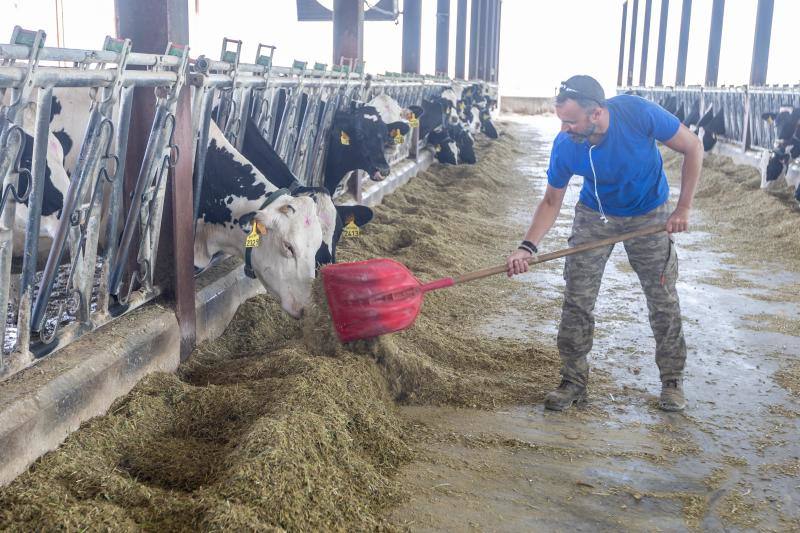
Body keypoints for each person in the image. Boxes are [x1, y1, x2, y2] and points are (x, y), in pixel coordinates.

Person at [506, 75, 703, 412]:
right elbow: (551, 200)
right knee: (577, 298)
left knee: (662, 298)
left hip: (648, 214)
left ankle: (672, 380)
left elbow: (693, 146)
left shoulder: (637, 113)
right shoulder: (566, 144)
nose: (565, 129)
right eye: (561, 121)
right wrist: (527, 247)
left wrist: (683, 208)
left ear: (596, 113)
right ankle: (573, 381)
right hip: (595, 214)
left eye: (571, 121)